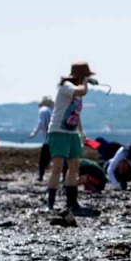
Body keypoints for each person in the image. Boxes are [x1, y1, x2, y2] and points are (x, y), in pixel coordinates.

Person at [46, 61, 94, 214]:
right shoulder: (67, 86)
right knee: (57, 167)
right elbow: (81, 91)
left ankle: (72, 202)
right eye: (85, 76)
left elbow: (76, 114)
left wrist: (81, 132)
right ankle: (50, 204)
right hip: (58, 131)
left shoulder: (77, 91)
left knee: (74, 167)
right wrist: (86, 83)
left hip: (72, 132)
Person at [29, 96, 54, 182]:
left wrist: (34, 133)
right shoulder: (53, 110)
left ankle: (41, 176)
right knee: (59, 158)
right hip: (57, 138)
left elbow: (41, 123)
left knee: (43, 159)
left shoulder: (42, 110)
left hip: (48, 139)